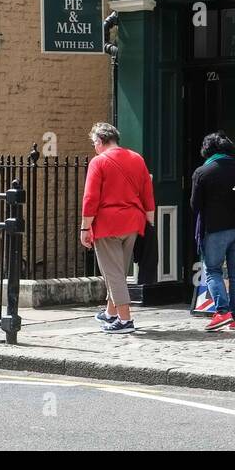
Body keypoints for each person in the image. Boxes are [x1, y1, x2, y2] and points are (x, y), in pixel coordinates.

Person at [80, 122, 155, 334]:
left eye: (95, 142)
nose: (94, 146)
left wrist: (85, 228)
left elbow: (90, 198)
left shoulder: (98, 162)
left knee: (113, 274)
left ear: (101, 141)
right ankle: (110, 313)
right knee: (118, 272)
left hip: (107, 224)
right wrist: (149, 222)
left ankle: (125, 320)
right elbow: (147, 193)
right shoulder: (136, 158)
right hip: (133, 222)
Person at [190, 131, 235, 332]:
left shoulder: (202, 172)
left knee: (213, 270)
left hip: (215, 230)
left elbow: (194, 205)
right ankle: (234, 315)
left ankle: (222, 312)